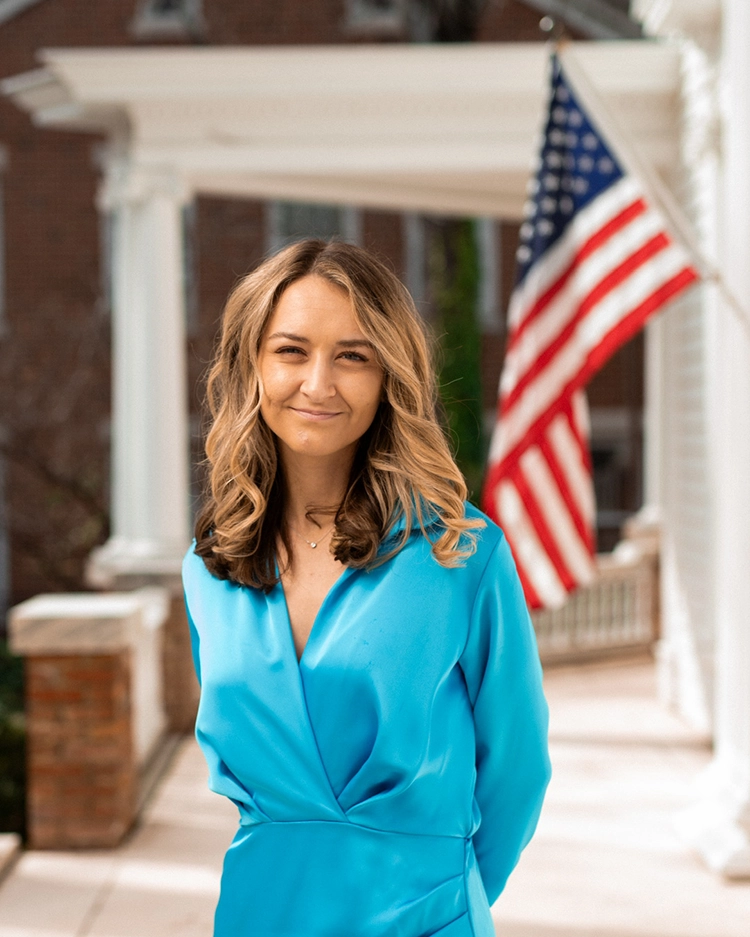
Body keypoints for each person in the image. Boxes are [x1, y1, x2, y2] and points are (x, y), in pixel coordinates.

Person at [182, 238, 551, 937]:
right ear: (251, 367)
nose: (318, 383)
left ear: (389, 376)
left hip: (422, 916)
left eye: (352, 355)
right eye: (291, 351)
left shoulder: (461, 553)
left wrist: (450, 896)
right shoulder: (209, 568)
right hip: (261, 913)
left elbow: (519, 767)